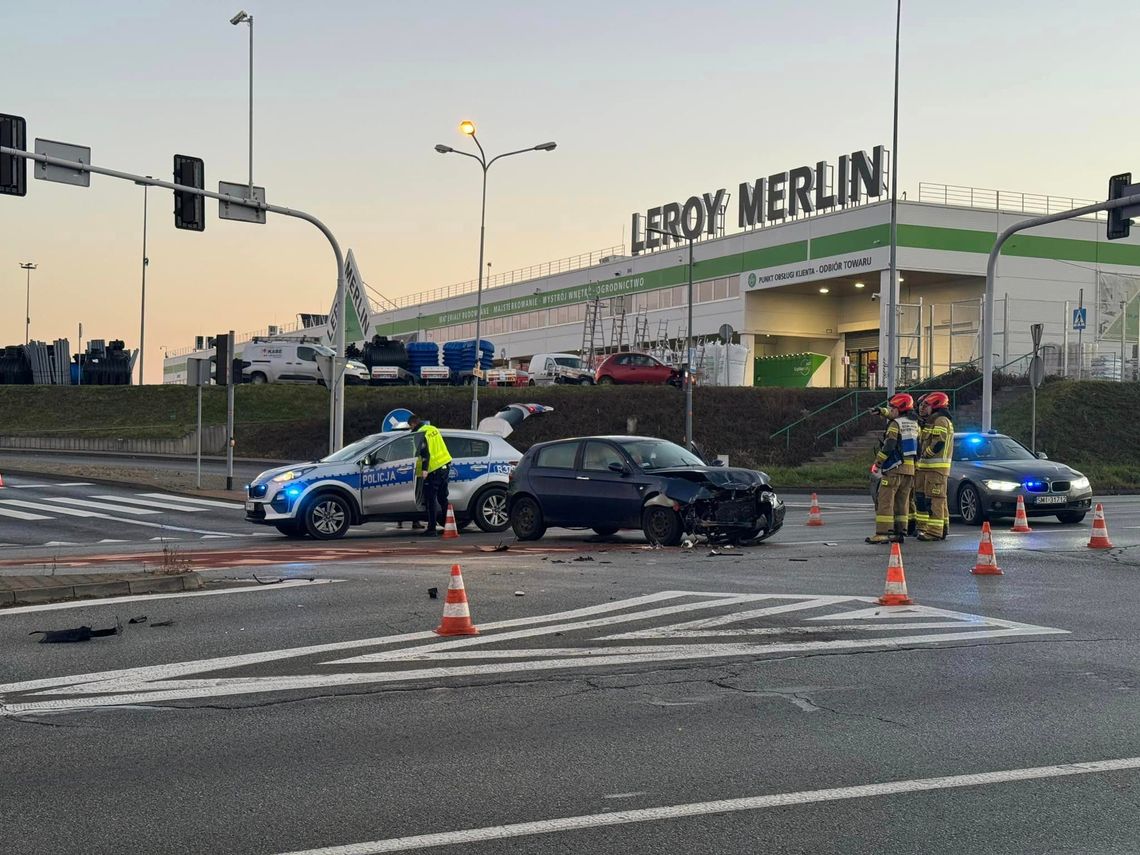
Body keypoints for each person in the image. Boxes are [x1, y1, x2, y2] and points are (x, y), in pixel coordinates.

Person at [866, 392, 919, 544]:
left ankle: (882, 533)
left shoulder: (896, 424)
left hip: (895, 468)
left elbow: (890, 445)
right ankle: (899, 532)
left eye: (893, 408)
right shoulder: (913, 424)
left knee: (885, 501)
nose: (891, 411)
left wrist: (878, 462)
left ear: (899, 409)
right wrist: (881, 411)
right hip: (910, 469)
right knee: (902, 502)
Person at [915, 391, 954, 541]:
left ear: (936, 406)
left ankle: (934, 532)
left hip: (936, 468)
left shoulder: (941, 421)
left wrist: (926, 453)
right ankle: (938, 528)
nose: (923, 407)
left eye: (926, 405)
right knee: (931, 498)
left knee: (935, 499)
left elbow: (939, 442)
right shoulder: (933, 421)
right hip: (927, 468)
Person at [408, 413, 452, 537]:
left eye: (410, 427)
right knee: (443, 498)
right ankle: (448, 525)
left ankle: (432, 529)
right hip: (445, 465)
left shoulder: (420, 434)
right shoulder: (433, 429)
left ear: (413, 424)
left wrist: (425, 470)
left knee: (430, 499)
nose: (410, 429)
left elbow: (425, 452)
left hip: (433, 469)